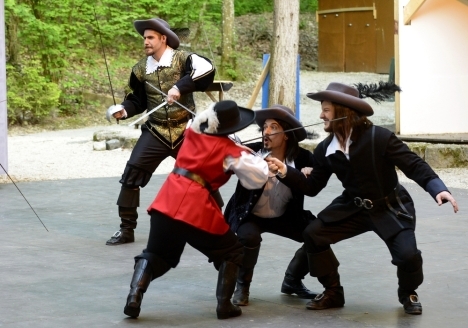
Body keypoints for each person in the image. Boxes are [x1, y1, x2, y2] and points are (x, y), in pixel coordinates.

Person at [267, 82, 458, 315]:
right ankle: (333, 292)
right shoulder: (325, 149)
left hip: (390, 206)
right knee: (314, 233)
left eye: (326, 110)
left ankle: (408, 291)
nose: (320, 115)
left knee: (408, 256)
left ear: (343, 111)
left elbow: (413, 164)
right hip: (352, 206)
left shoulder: (380, 137)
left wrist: (437, 188)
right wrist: (284, 171)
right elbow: (312, 186)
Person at [123, 100, 269, 320]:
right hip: (195, 205)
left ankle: (135, 294)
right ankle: (224, 305)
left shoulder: (192, 130)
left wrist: (238, 149)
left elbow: (203, 126)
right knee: (232, 252)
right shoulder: (231, 152)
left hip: (168, 198)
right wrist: (251, 156)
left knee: (156, 255)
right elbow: (257, 178)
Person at [105, 18, 215, 245]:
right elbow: (138, 100)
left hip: (186, 129)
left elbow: (207, 68)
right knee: (131, 175)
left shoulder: (184, 59)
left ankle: (214, 226)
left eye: (150, 37)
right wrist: (123, 111)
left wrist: (178, 87)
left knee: (202, 177)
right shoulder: (139, 69)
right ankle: (126, 229)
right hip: (156, 131)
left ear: (163, 38)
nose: (145, 42)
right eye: (144, 37)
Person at [224, 105, 319, 306]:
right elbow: (224, 167)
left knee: (318, 233)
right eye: (264, 127)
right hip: (250, 214)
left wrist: (312, 171)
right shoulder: (250, 153)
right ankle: (242, 286)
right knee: (249, 236)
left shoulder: (303, 158)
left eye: (273, 127)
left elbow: (318, 177)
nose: (266, 132)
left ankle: (292, 280)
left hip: (286, 215)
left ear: (287, 135)